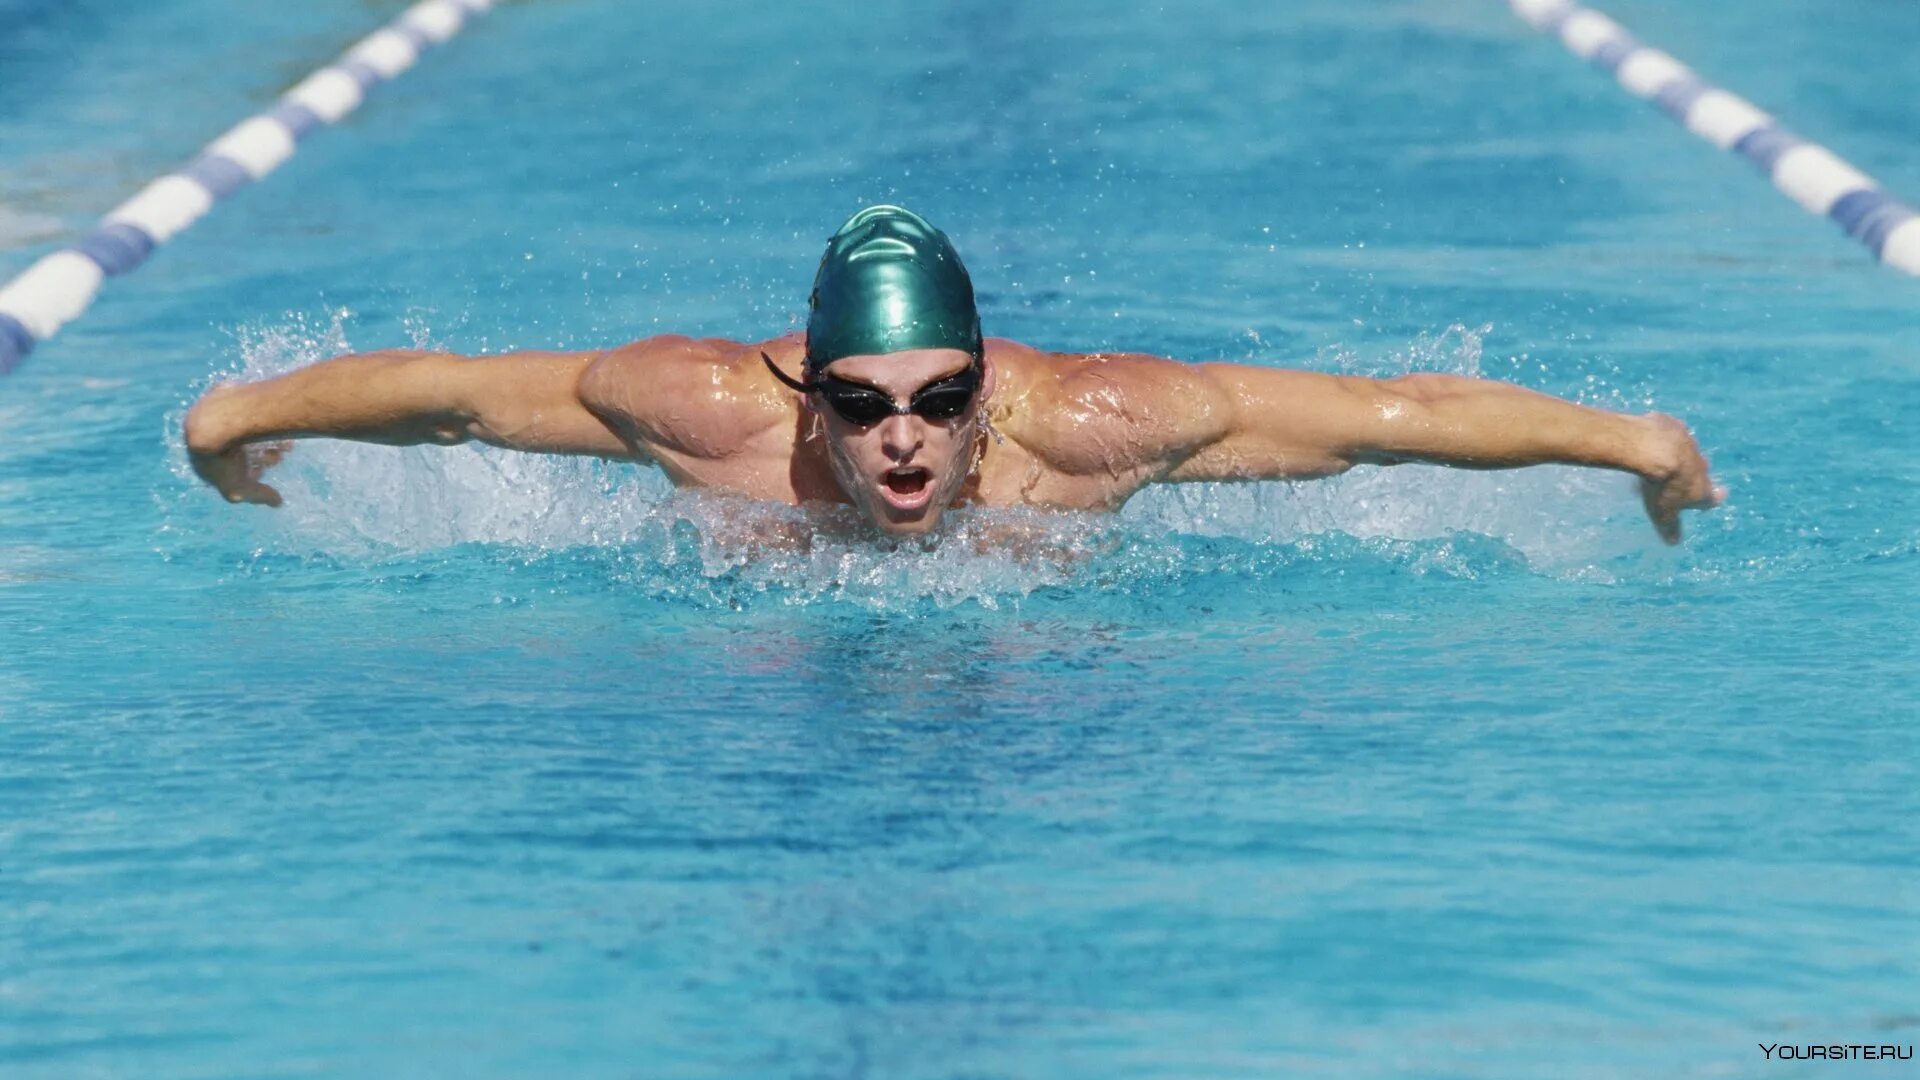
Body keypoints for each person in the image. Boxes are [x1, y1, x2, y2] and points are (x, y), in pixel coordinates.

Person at [185, 205, 1724, 542]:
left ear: (989, 389)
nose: (903, 440)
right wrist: (231, 421)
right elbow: (452, 391)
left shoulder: (1093, 430)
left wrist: (1635, 443)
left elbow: (1398, 421)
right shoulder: (709, 417)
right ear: (807, 392)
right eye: (859, 404)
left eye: (940, 399)